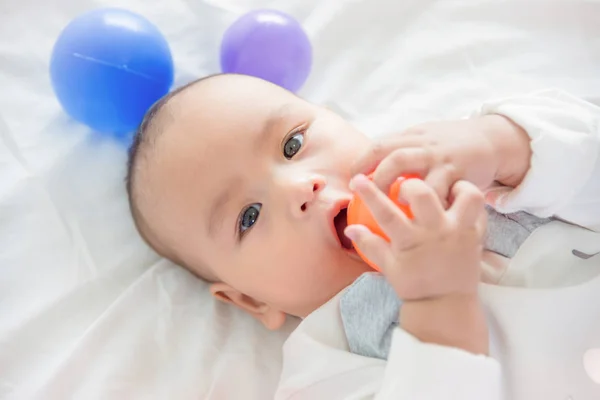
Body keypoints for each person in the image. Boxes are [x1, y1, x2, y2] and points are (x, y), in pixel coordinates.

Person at [125, 74, 600, 399]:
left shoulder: (474, 168)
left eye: (293, 144)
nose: (300, 188)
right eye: (249, 216)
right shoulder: (327, 362)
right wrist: (438, 306)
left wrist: (504, 144)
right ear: (251, 300)